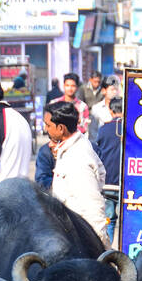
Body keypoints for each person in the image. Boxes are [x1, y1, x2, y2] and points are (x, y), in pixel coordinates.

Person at [43, 100, 106, 241]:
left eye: (48, 125)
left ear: (61, 128)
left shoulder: (77, 157)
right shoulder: (70, 148)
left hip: (80, 237)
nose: (46, 129)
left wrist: (100, 249)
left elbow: (93, 207)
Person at [94, 97, 123, 240]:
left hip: (108, 182)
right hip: (127, 184)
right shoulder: (133, 129)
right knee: (126, 222)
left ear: (111, 111)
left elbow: (97, 151)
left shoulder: (104, 129)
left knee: (109, 221)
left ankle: (109, 256)